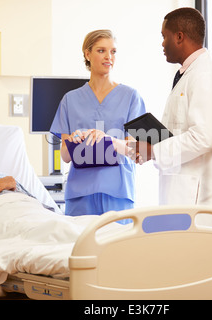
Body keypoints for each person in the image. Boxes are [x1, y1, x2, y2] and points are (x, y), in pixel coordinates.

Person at [132, 8, 212, 227]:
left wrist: (155, 150)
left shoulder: (207, 76)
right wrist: (151, 148)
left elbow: (204, 137)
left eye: (164, 36)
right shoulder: (188, 75)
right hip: (182, 195)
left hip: (197, 201)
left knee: (195, 258)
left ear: (179, 36)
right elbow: (181, 132)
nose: (162, 44)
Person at [50, 29, 146, 219]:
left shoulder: (131, 97)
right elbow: (65, 156)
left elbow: (136, 151)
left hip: (117, 192)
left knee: (116, 246)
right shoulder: (70, 100)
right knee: (80, 246)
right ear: (87, 54)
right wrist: (75, 141)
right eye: (101, 50)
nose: (109, 57)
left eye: (113, 52)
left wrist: (108, 139)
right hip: (80, 193)